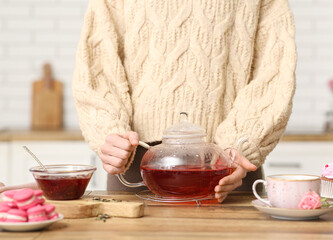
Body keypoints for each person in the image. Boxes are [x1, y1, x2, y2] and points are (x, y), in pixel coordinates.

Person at [72, 0, 296, 202]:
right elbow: (98, 62)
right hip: (136, 166)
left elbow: (275, 69)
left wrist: (240, 146)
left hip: (228, 171)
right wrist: (111, 133)